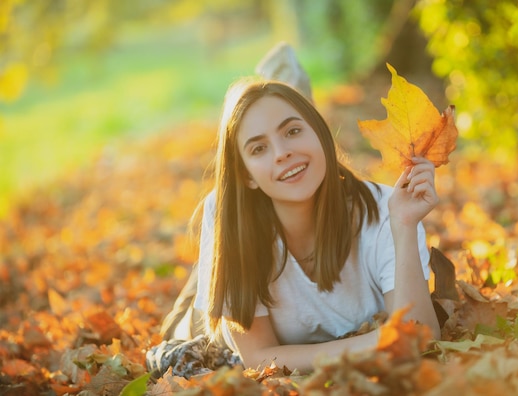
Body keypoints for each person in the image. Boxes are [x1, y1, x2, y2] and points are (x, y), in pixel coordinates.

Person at [179, 76, 441, 373]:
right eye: (258, 148)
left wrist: (405, 226)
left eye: (292, 131)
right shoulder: (227, 212)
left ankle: (283, 76)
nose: (282, 153)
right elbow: (257, 357)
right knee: (185, 320)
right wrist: (379, 342)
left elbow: (421, 337)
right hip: (214, 312)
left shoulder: (389, 210)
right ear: (247, 175)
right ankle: (280, 77)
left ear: (320, 134)